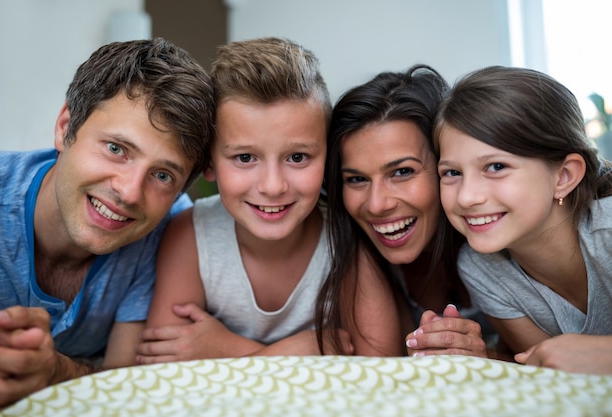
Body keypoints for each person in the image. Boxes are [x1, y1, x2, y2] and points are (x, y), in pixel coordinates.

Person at [135, 37, 403, 364]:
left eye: (298, 157)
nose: (273, 186)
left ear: (329, 157)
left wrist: (229, 351)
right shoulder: (191, 237)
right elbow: (165, 364)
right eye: (245, 157)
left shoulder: (345, 235)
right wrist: (300, 352)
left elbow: (383, 364)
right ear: (208, 162)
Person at [0, 38, 215, 413]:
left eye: (162, 175)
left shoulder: (173, 233)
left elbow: (128, 382)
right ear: (65, 128)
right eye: (116, 149)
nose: (129, 192)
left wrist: (55, 371)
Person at [434, 65, 612, 374]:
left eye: (496, 166)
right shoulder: (481, 268)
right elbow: (545, 374)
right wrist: (478, 359)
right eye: (452, 173)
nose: (466, 197)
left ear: (564, 176)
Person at [316, 65, 491, 358]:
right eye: (357, 179)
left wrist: (487, 358)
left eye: (401, 171)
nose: (376, 204)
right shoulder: (353, 254)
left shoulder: (500, 234)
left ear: (446, 167)